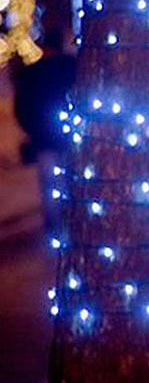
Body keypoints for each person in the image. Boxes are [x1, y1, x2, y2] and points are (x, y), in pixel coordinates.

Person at [13, 27, 77, 233]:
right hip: (69, 138)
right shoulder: (72, 68)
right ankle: (73, 223)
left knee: (51, 186)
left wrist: (33, 130)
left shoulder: (33, 73)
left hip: (44, 140)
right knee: (71, 182)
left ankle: (56, 227)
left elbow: (21, 108)